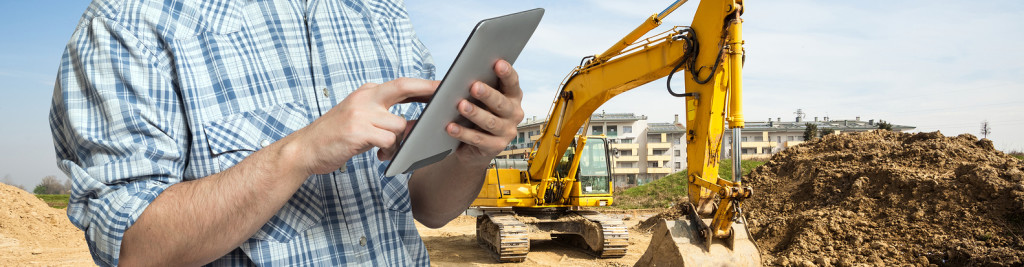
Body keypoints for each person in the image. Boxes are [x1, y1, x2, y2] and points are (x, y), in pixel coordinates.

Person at [49, 0, 524, 266]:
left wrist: (471, 152)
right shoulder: (126, 24)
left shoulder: (385, 17)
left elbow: (431, 209)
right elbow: (135, 249)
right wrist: (301, 151)